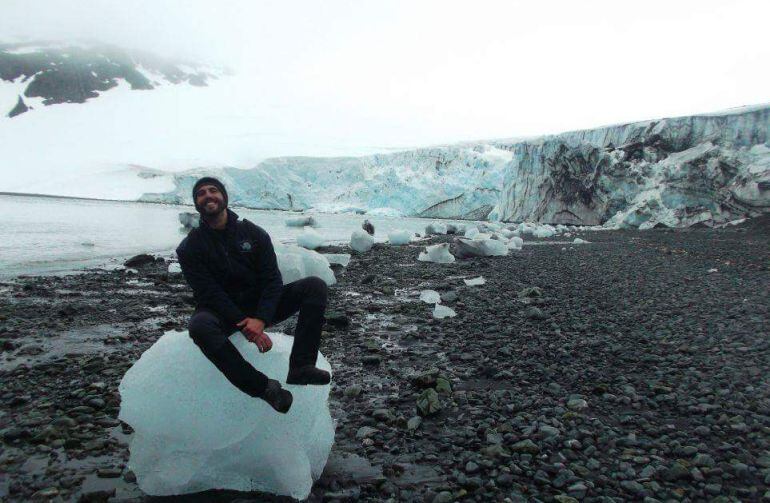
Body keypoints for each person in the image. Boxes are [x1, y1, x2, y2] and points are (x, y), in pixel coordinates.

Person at [176, 177, 331, 414]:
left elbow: (272, 280)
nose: (208, 196)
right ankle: (264, 388)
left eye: (213, 190)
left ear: (224, 197)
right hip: (220, 309)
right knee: (200, 327)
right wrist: (243, 322)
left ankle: (302, 366)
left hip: (258, 304)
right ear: (196, 204)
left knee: (314, 286)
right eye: (201, 193)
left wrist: (261, 318)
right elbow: (207, 291)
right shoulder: (190, 247)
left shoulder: (253, 234)